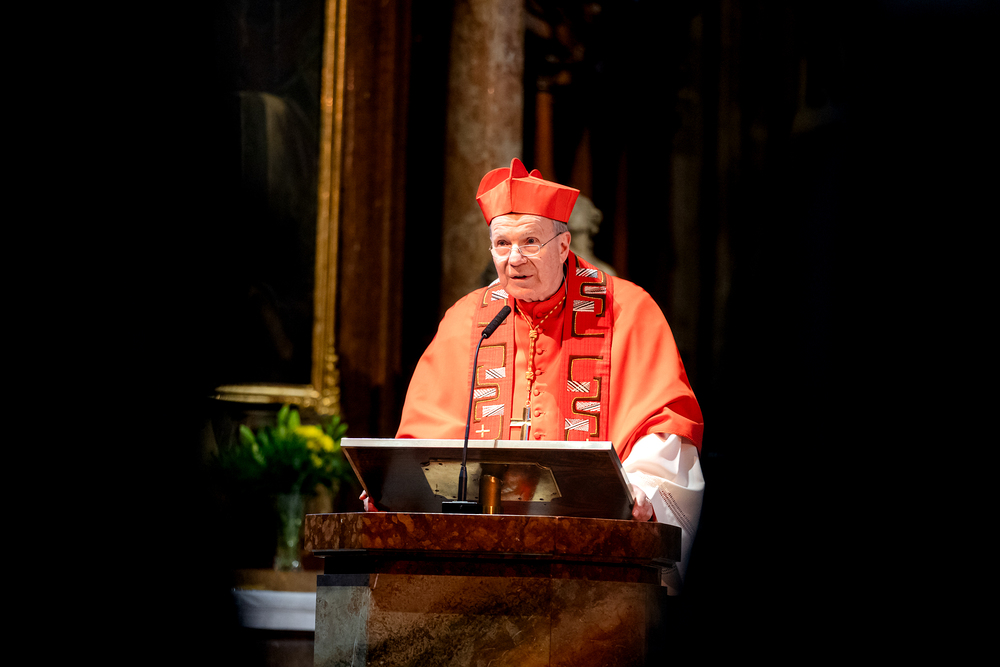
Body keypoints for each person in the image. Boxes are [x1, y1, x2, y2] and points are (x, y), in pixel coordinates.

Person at [370, 158, 705, 592]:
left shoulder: (628, 311)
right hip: (479, 565)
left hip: (592, 569)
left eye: (530, 241)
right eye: (502, 244)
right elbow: (425, 439)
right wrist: (398, 488)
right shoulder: (467, 320)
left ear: (563, 245)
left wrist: (641, 490)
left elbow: (663, 427)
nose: (514, 259)